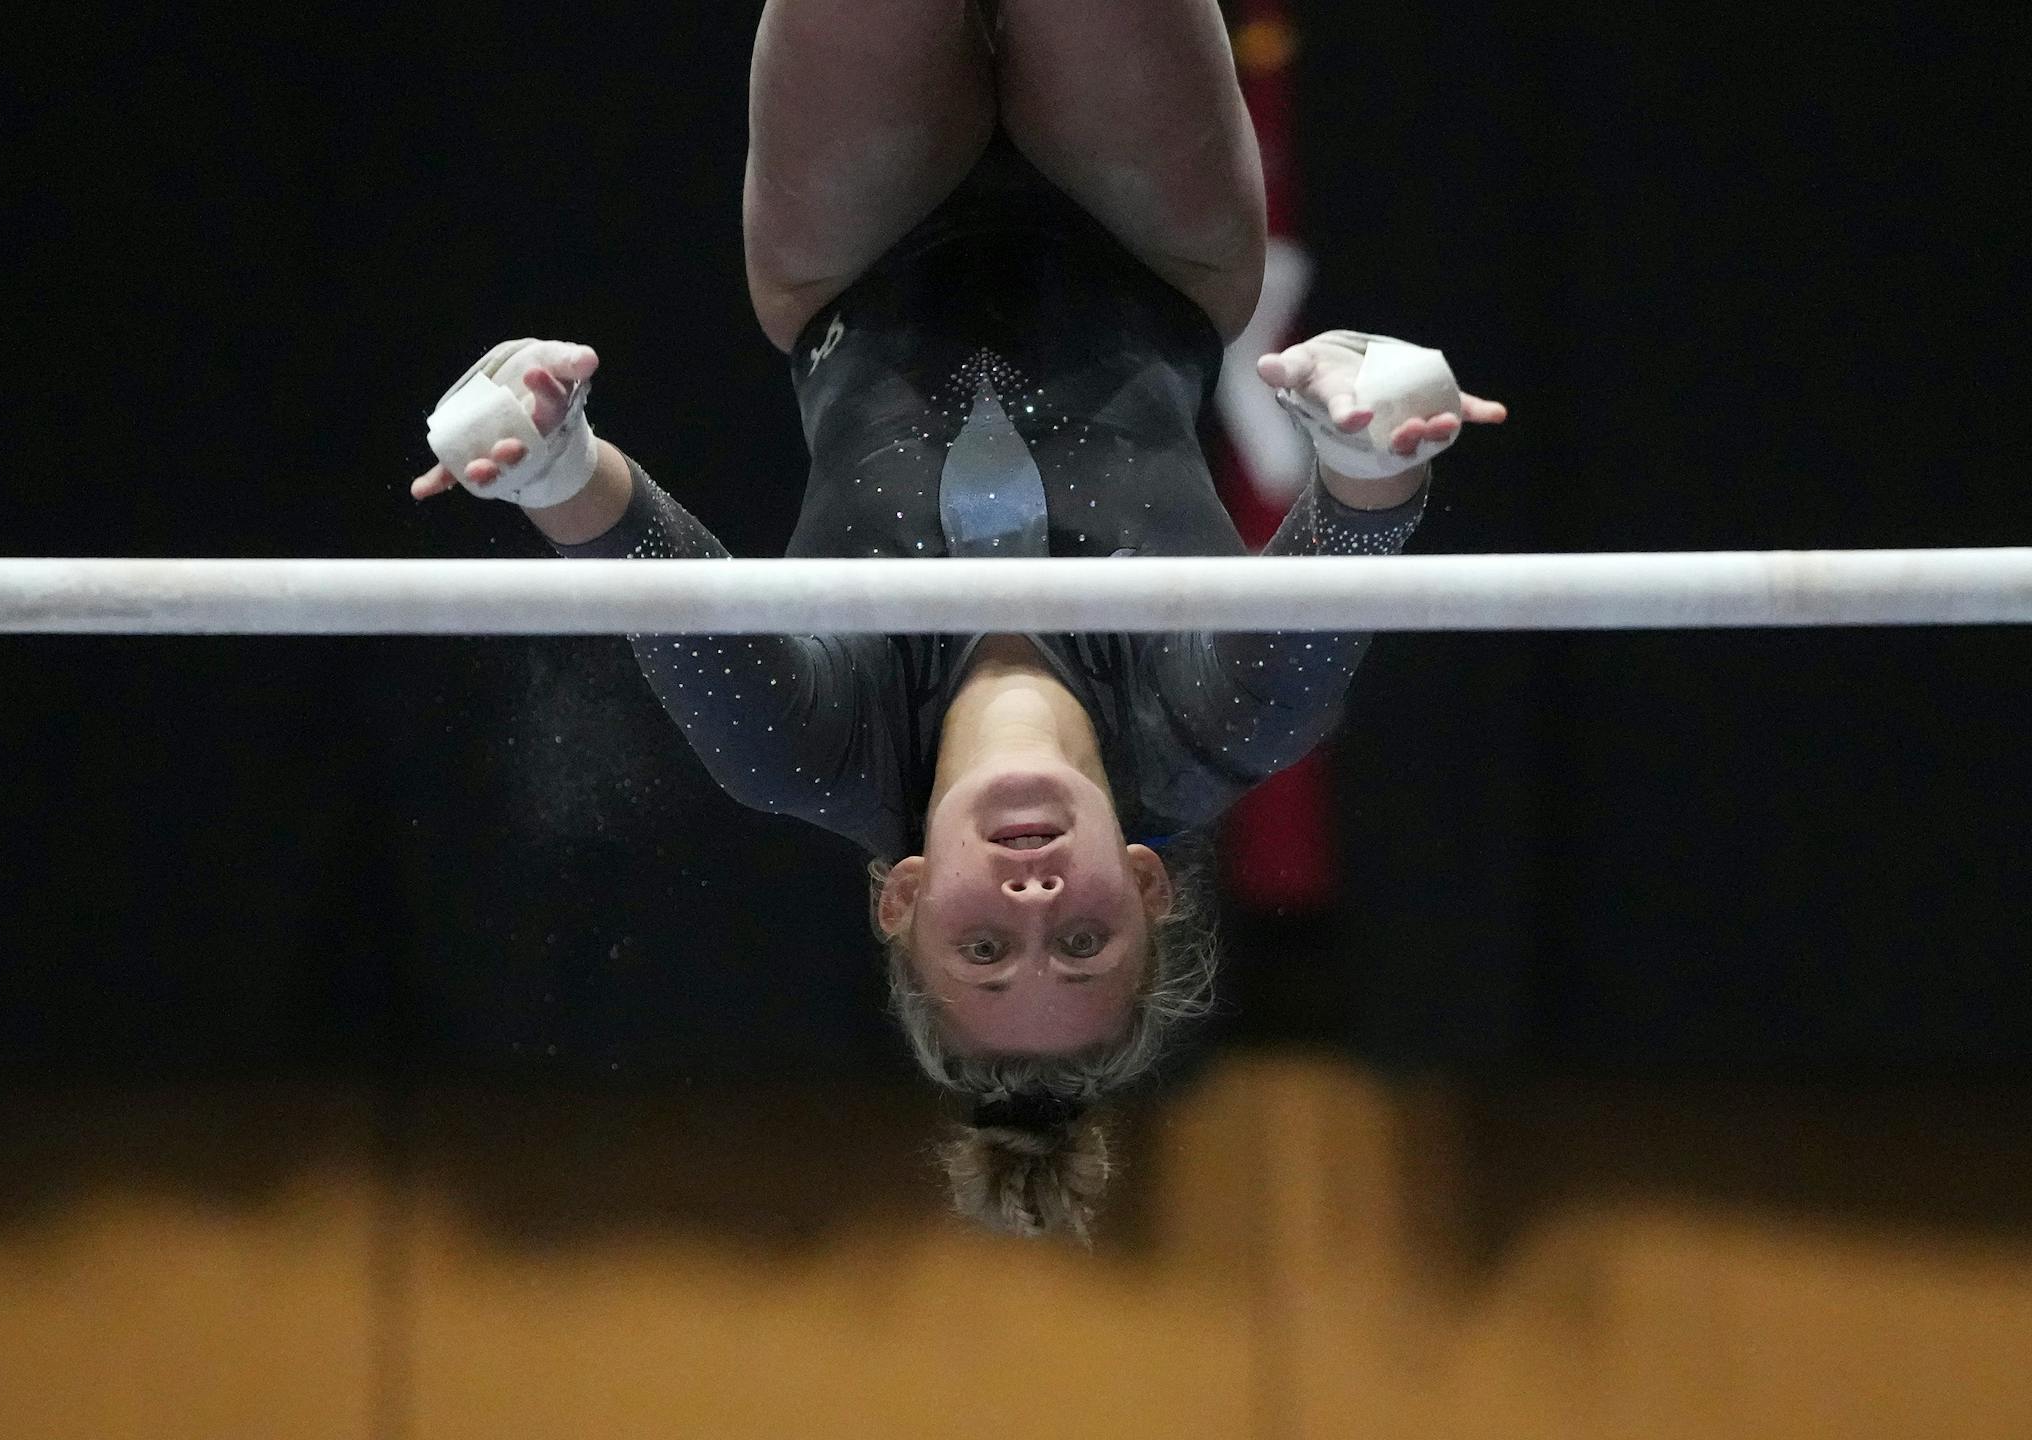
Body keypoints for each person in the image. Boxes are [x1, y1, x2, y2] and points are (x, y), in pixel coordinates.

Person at [409, 0, 1505, 1241]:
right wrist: (1365, 422)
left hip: (855, 264)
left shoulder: (803, 752)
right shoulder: (1227, 724)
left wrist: (540, 452)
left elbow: (624, 537)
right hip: (1148, 250)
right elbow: (1364, 520)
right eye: (1083, 936)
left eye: (984, 946)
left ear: (905, 899)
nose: (1033, 900)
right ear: (1148, 883)